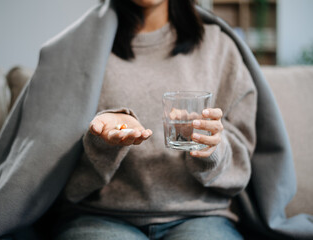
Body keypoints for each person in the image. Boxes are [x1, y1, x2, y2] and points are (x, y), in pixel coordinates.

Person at [50, 0, 257, 239]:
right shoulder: (80, 48)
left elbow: (242, 157)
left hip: (201, 217)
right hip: (100, 216)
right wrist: (100, 144)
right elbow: (51, 155)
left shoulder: (219, 48)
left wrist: (211, 148)